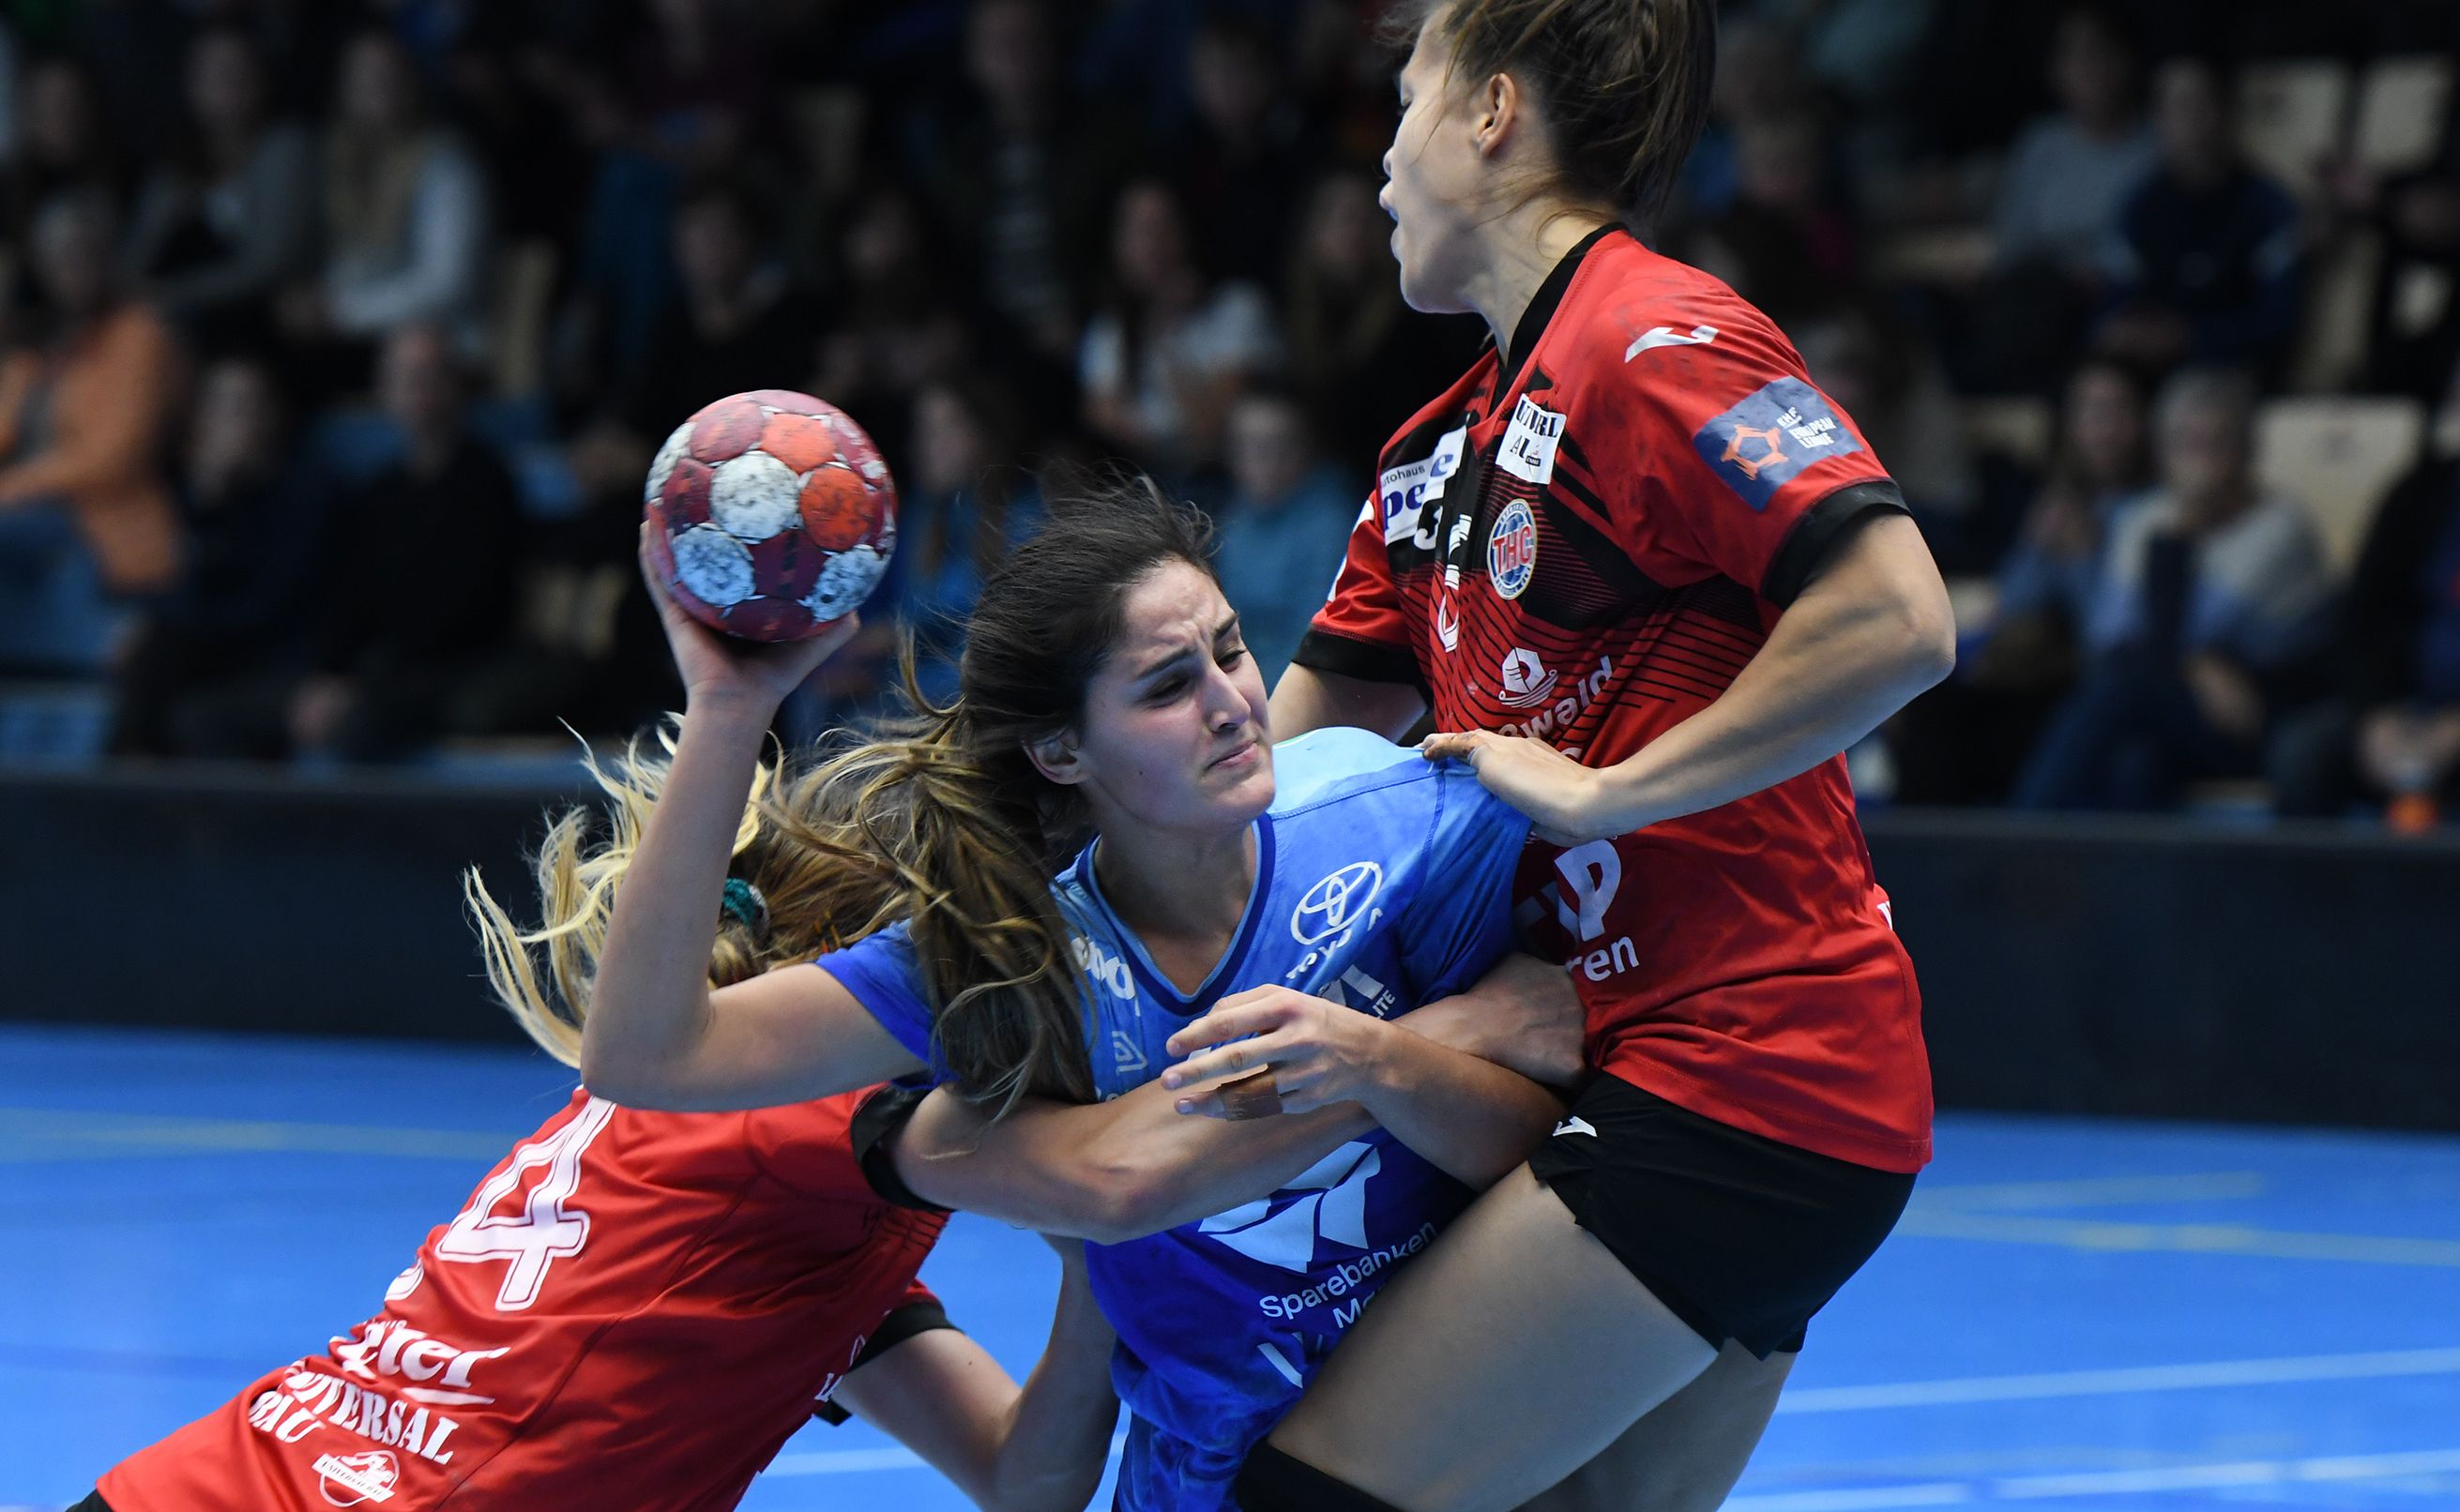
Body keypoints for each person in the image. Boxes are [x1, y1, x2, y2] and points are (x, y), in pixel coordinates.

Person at [1249, 3, 1959, 1508]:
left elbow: (1895, 615)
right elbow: (1254, 780)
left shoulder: (1649, 338)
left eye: (1407, 98)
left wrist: (1607, 796)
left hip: (1747, 1070)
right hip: (1637, 1068)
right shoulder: (1433, 454)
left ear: (1491, 112)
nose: (1380, 157)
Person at [571, 477, 1578, 1512]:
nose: (1231, 702)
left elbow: (1546, 1153)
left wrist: (1393, 1061)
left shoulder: (1403, 818)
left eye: (1231, 650)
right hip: (1213, 1475)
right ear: (1061, 751)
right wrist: (731, 707)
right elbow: (645, 1056)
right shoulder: (1011, 951)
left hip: (1462, 1427)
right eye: (1167, 686)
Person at [78, 908, 1119, 1512]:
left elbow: (1023, 1479)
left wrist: (1098, 1267)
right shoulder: (798, 1121)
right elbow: (1117, 1174)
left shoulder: (775, 1231)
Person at [2013, 367, 2332, 811]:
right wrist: (2195, 663)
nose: (2200, 462)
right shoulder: (2142, 518)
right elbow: (2107, 637)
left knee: (2121, 690)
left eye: (2215, 444)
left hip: (2259, 713)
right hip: (2172, 709)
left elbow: (2193, 629)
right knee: (2135, 762)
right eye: (2184, 444)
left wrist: (2179, 535)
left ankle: (2022, 830)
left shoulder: (2279, 529)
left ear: (2247, 450)